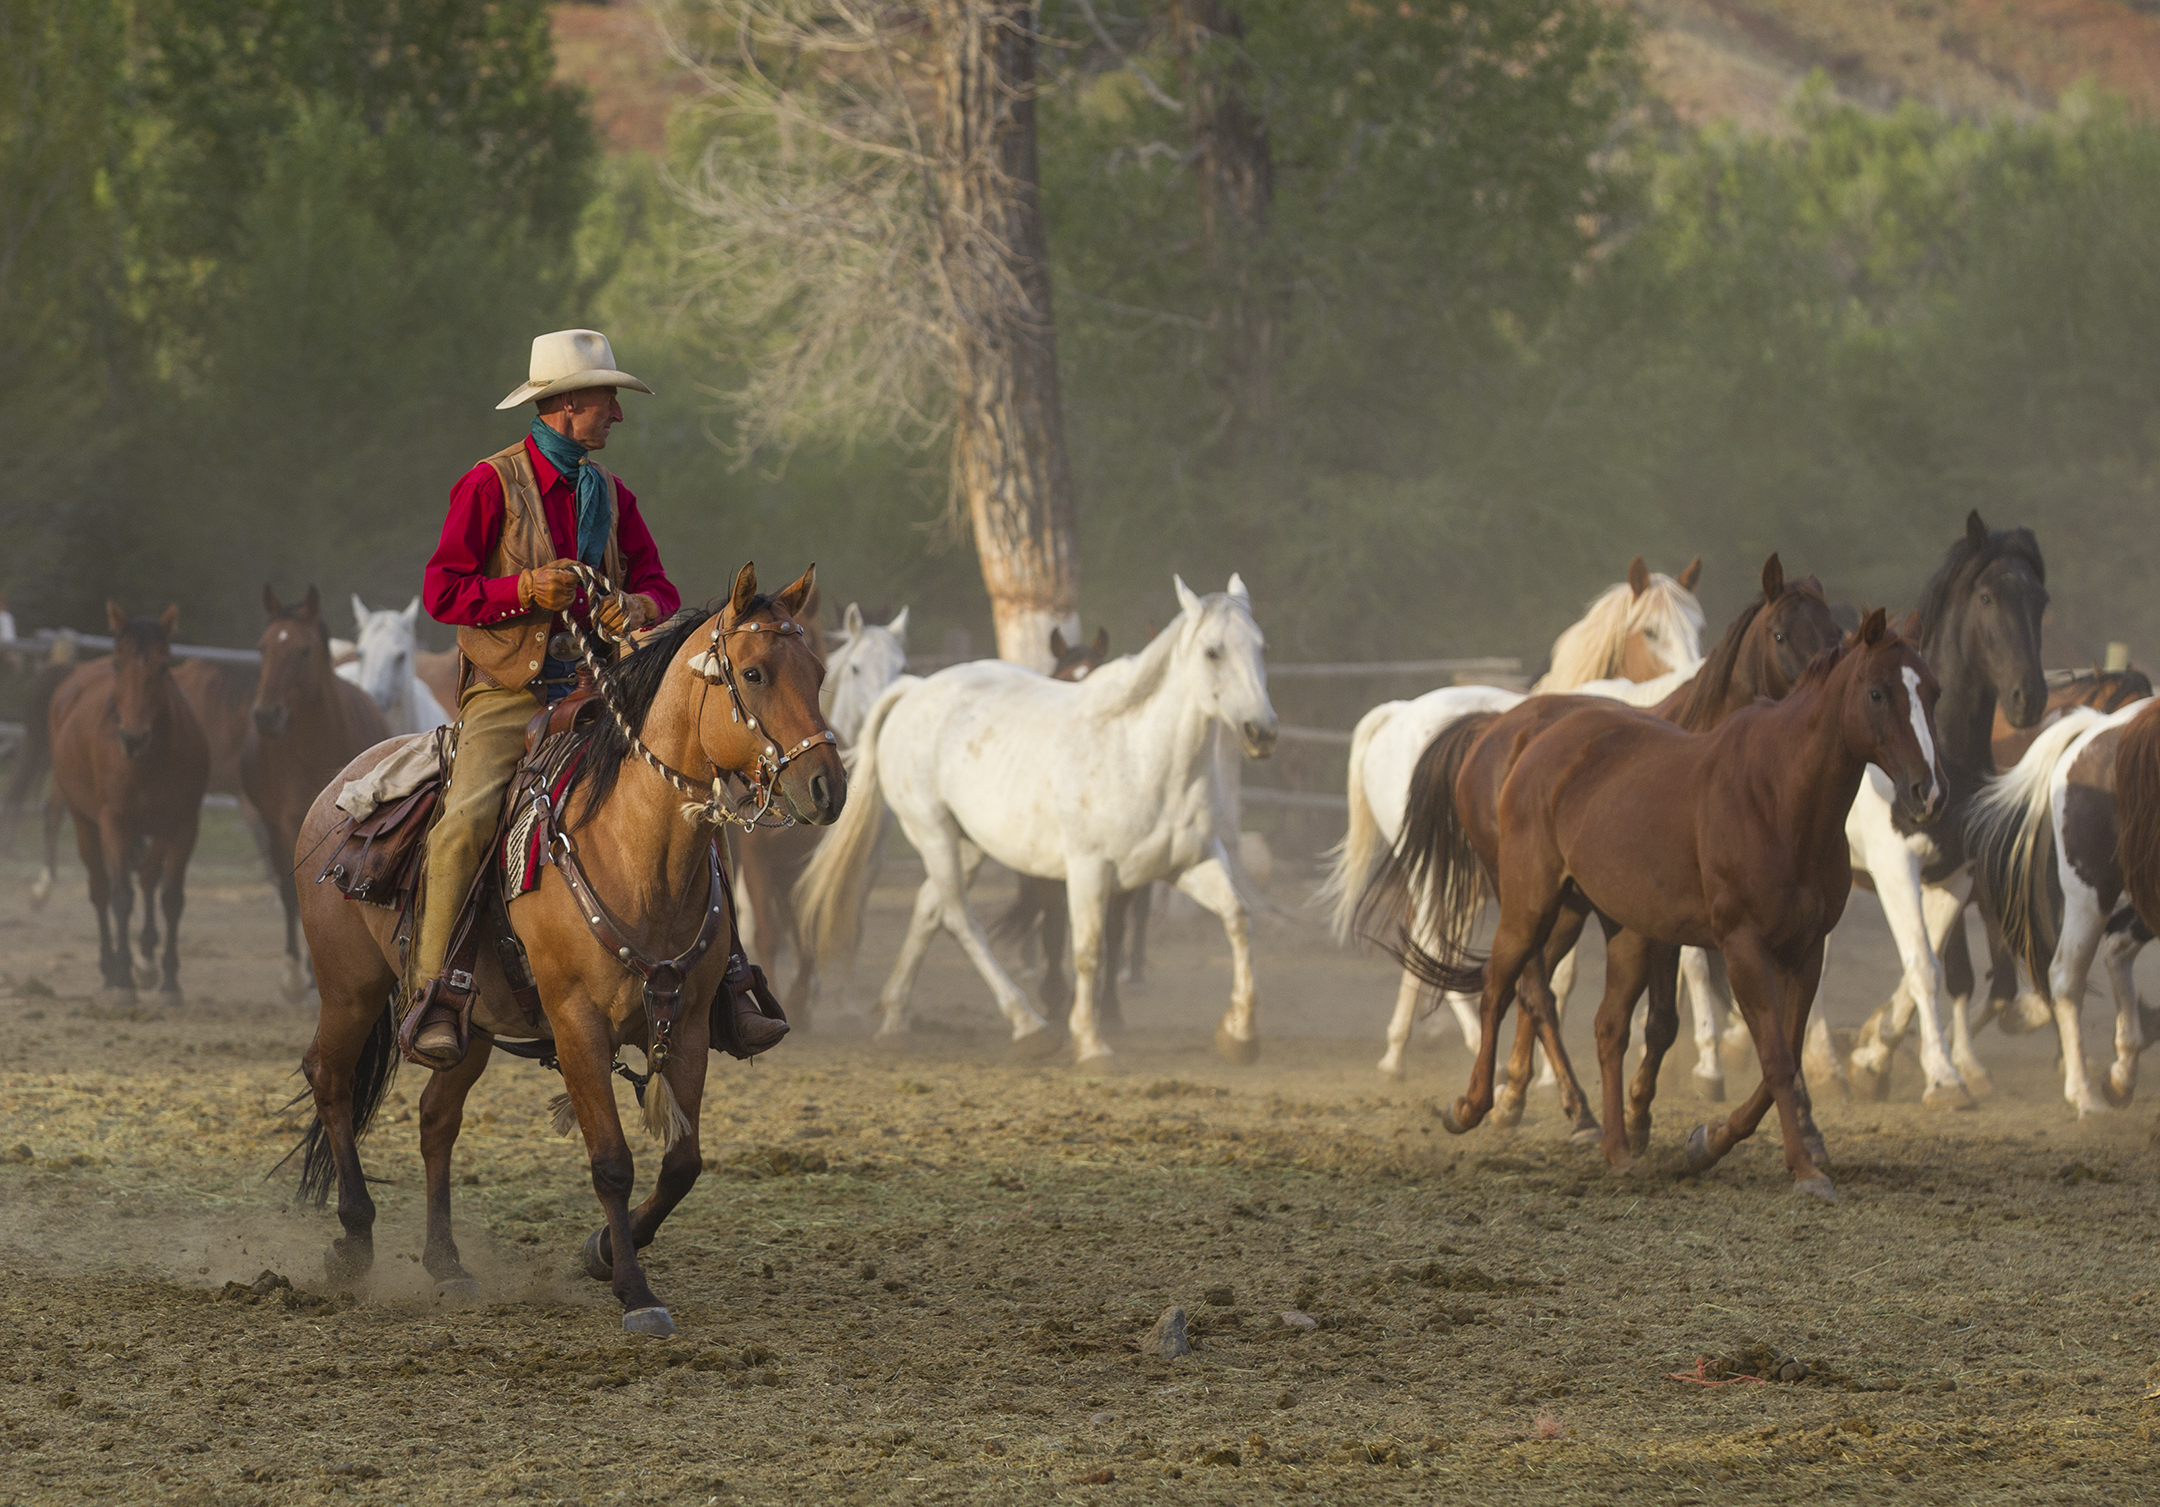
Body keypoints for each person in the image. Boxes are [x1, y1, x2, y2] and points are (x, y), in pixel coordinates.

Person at [404, 330, 681, 1069]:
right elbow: (442, 591)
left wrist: (638, 609)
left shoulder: (612, 497)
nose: (616, 416)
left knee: (685, 791)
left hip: (599, 685)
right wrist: (523, 590)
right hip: (507, 692)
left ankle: (726, 978)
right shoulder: (489, 484)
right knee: (464, 822)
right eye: (606, 401)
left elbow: (661, 586)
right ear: (563, 407)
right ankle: (435, 989)